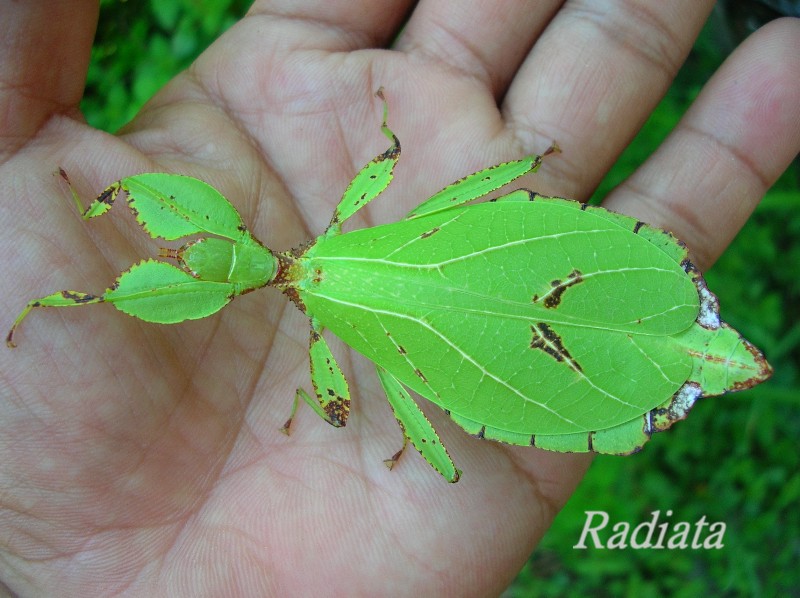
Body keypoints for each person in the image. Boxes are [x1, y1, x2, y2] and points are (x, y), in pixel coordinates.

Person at [1, 2, 798, 595]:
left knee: (439, 449)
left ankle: (686, 345)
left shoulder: (322, 341)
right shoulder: (346, 224)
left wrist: (316, 412)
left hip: (538, 337)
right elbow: (406, 162)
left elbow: (347, 409)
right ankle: (687, 351)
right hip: (538, 274)